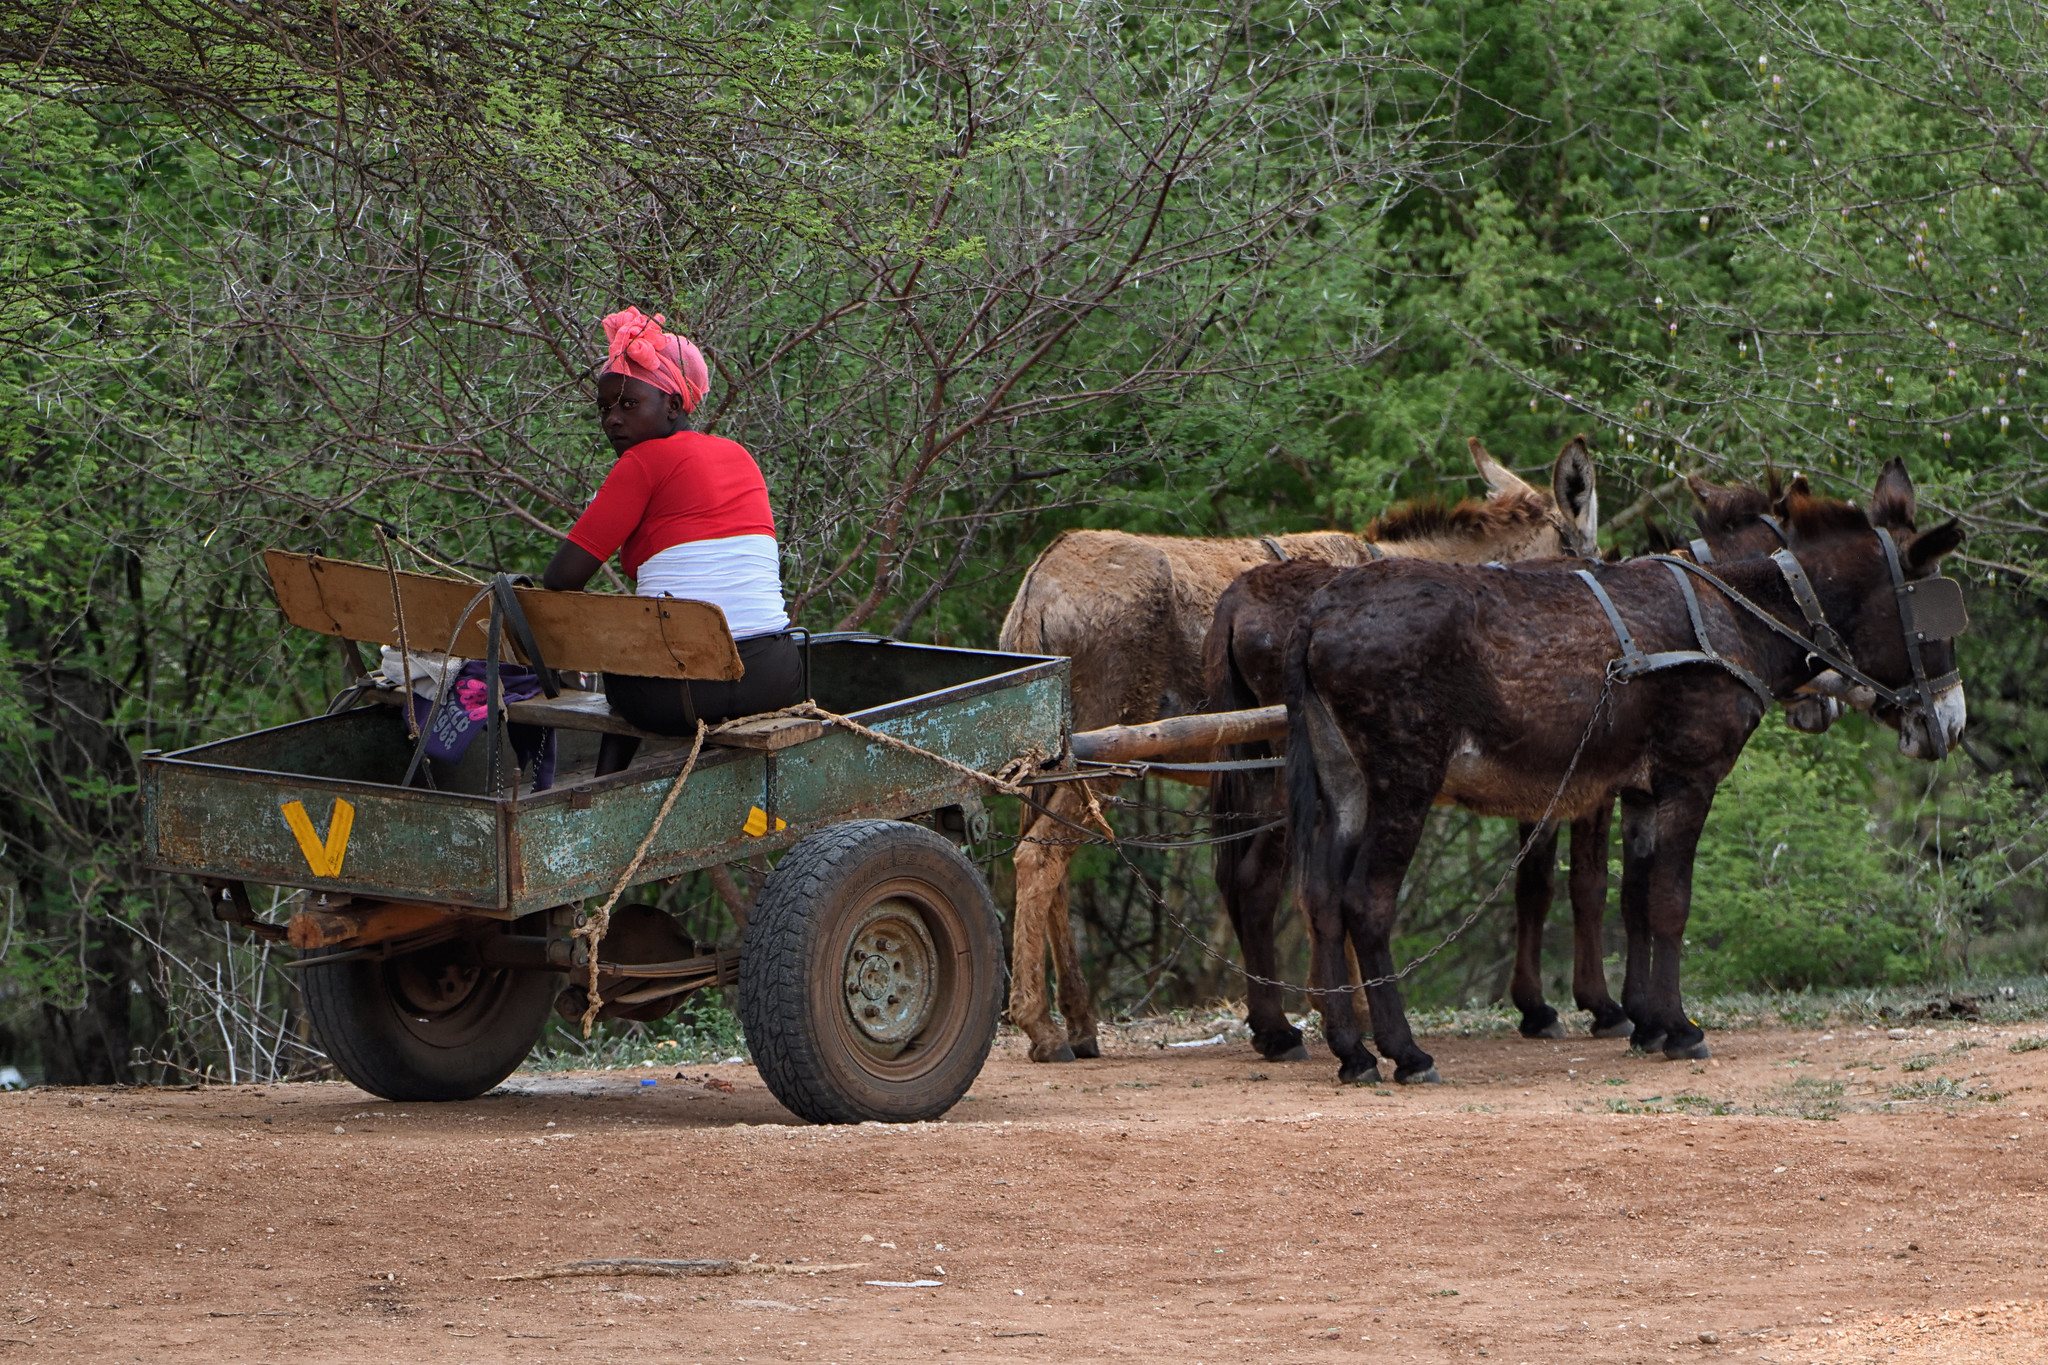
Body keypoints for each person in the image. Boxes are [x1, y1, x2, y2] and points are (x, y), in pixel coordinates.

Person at [544, 307, 801, 774]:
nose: (612, 421)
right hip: (775, 678)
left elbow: (561, 578)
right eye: (604, 409)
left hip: (680, 697)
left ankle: (603, 791)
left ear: (674, 405)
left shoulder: (641, 464)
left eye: (628, 404)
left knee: (622, 654)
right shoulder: (738, 455)